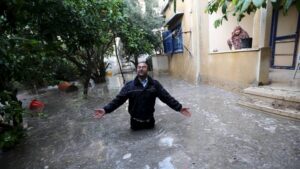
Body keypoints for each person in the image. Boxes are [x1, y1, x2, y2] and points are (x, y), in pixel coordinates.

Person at [94, 62, 191, 130]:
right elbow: (118, 100)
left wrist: (179, 108)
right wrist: (106, 110)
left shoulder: (154, 85)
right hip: (135, 123)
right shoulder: (129, 86)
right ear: (136, 70)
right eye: (139, 67)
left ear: (147, 69)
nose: (141, 68)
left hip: (150, 122)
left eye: (143, 67)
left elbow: (167, 98)